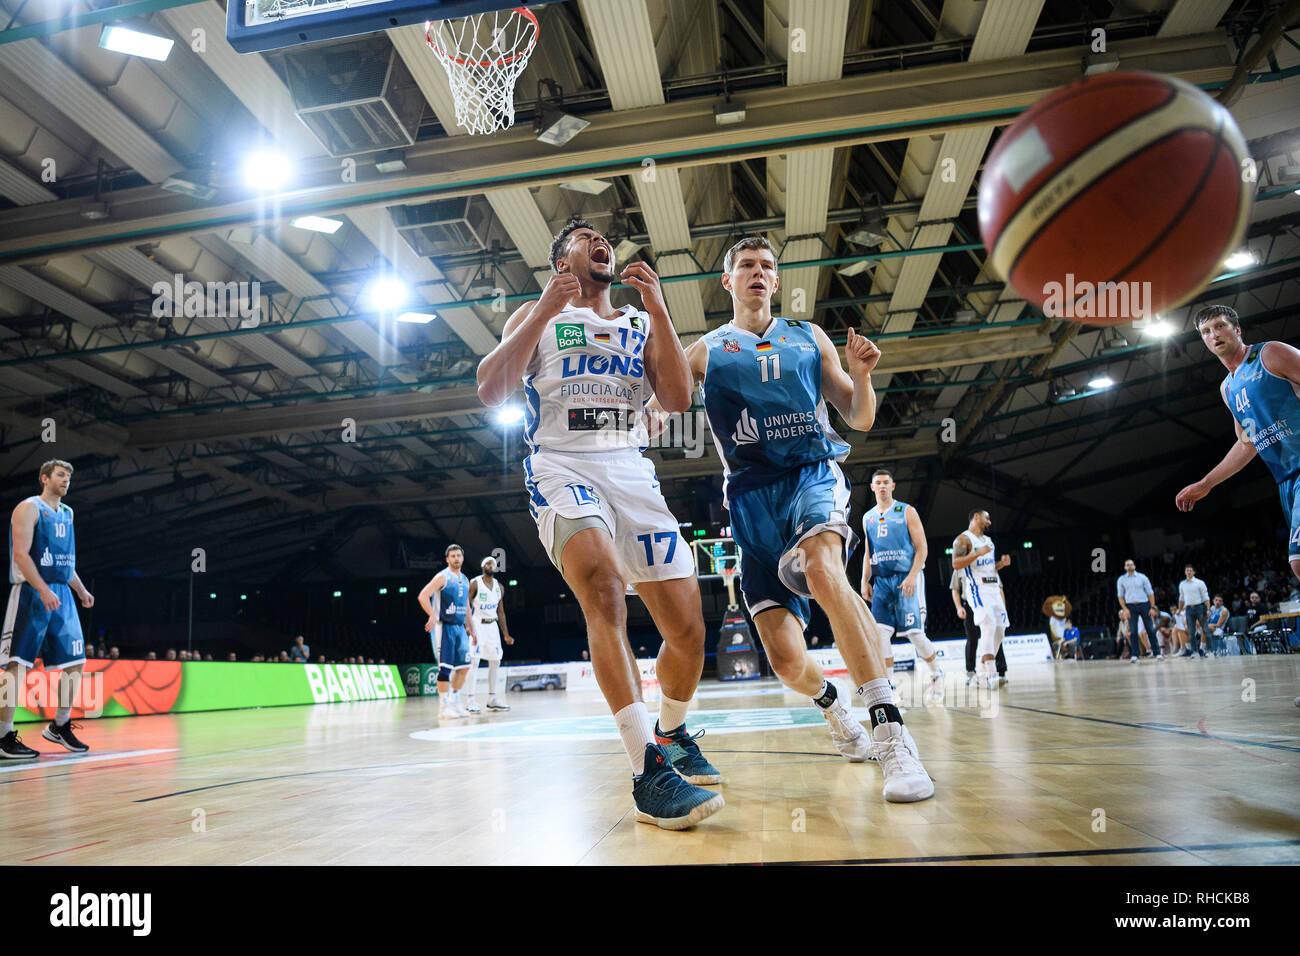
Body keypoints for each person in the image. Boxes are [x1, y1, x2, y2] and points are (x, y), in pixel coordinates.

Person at [661, 234, 933, 802]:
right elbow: (661, 408)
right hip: (751, 501)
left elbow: (857, 418)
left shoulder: (809, 337)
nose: (757, 273)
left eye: (766, 266)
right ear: (727, 281)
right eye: (746, 266)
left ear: (777, 281)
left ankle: (892, 733)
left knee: (823, 570)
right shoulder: (705, 351)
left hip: (813, 474)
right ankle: (835, 709)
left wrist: (862, 376)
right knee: (786, 661)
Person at [476, 217, 724, 829]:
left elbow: (677, 399)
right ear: (563, 261)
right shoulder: (538, 315)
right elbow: (490, 388)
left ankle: (672, 732)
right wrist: (540, 310)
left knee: (688, 631)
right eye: (587, 238)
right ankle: (647, 772)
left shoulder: (640, 321)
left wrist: (660, 308)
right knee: (605, 589)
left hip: (631, 469)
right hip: (562, 464)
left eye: (606, 238)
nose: (603, 242)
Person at [1178, 306, 1300, 590]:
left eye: (1220, 326)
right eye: (1206, 332)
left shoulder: (1269, 354)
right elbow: (1248, 443)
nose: (1214, 335)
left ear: (1237, 329)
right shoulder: (1228, 388)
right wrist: (1206, 483)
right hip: (1286, 480)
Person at [0, 460, 94, 759]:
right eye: (61, 475)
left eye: (69, 476)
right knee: (17, 666)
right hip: (31, 591)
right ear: (45, 478)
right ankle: (3, 735)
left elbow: (65, 560)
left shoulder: (68, 513)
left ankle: (59, 725)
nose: (66, 480)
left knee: (76, 662)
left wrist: (80, 589)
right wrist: (42, 588)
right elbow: (20, 554)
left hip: (62, 594)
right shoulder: (28, 508)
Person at [860, 469, 943, 699]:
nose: (883, 486)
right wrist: (864, 580)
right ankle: (889, 686)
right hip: (882, 582)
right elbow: (868, 551)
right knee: (880, 634)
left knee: (915, 633)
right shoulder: (868, 517)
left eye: (886, 482)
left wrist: (913, 575)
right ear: (872, 487)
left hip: (907, 577)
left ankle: (937, 674)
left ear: (893, 486)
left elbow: (922, 548)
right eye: (878, 482)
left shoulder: (907, 511)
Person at [952, 509, 1012, 691]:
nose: (990, 522)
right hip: (976, 588)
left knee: (1001, 630)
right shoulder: (963, 539)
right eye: (987, 517)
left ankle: (981, 666)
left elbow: (989, 568)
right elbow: (956, 563)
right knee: (989, 626)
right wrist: (977, 553)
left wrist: (1002, 564)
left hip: (993, 587)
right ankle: (991, 674)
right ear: (976, 517)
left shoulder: (989, 542)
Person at [417, 544, 476, 721]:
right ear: (447, 559)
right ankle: (443, 707)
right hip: (444, 627)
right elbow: (423, 595)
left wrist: (472, 629)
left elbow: (466, 606)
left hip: (460, 628)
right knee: (445, 669)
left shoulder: (465, 579)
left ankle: (454, 701)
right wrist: (432, 615)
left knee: (464, 667)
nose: (456, 558)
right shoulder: (442, 577)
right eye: (452, 556)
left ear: (463, 558)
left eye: (458, 555)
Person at [465, 556, 514, 713]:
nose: (490, 565)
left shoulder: (499, 587)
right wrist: (468, 626)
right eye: (487, 563)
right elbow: (465, 605)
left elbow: (501, 612)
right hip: (478, 624)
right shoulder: (475, 583)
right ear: (482, 567)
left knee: (496, 661)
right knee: (474, 662)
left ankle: (492, 699)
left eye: (493, 563)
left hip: (492, 627)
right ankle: (470, 700)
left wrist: (506, 634)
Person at [953, 568, 1005, 681]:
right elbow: (955, 589)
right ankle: (971, 673)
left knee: (995, 635)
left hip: (989, 603)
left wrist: (1003, 609)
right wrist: (959, 607)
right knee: (972, 639)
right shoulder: (961, 565)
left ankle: (1000, 672)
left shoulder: (989, 564)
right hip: (970, 606)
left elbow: (999, 588)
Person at [1116, 559, 1162, 662]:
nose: (1129, 566)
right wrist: (1125, 609)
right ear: (1125, 567)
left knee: (1150, 629)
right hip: (1130, 606)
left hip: (1144, 604)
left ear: (1134, 566)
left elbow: (1150, 592)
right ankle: (1135, 655)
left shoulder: (1142, 577)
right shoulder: (1121, 580)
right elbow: (1120, 596)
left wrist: (1152, 607)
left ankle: (1157, 653)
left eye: (1131, 564)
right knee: (1133, 631)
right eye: (1127, 565)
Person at [1177, 565, 1211, 658]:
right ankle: (1195, 652)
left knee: (1205, 629)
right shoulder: (1182, 584)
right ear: (1185, 572)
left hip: (1200, 607)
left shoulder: (1199, 583)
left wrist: (1208, 609)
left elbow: (1205, 596)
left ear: (1193, 572)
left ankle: (1209, 651)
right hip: (1188, 608)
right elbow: (1181, 598)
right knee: (1191, 632)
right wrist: (1179, 609)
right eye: (1187, 570)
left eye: (1190, 570)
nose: (1188, 572)